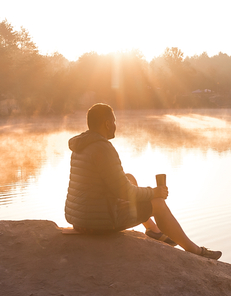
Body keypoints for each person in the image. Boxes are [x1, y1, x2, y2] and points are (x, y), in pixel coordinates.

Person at [64, 103, 222, 260]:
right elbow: (125, 192)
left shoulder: (82, 145)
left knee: (129, 178)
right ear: (107, 123)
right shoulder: (103, 148)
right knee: (158, 204)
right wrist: (154, 192)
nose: (115, 126)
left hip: (80, 218)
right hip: (98, 222)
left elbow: (114, 185)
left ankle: (154, 230)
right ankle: (196, 251)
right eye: (114, 122)